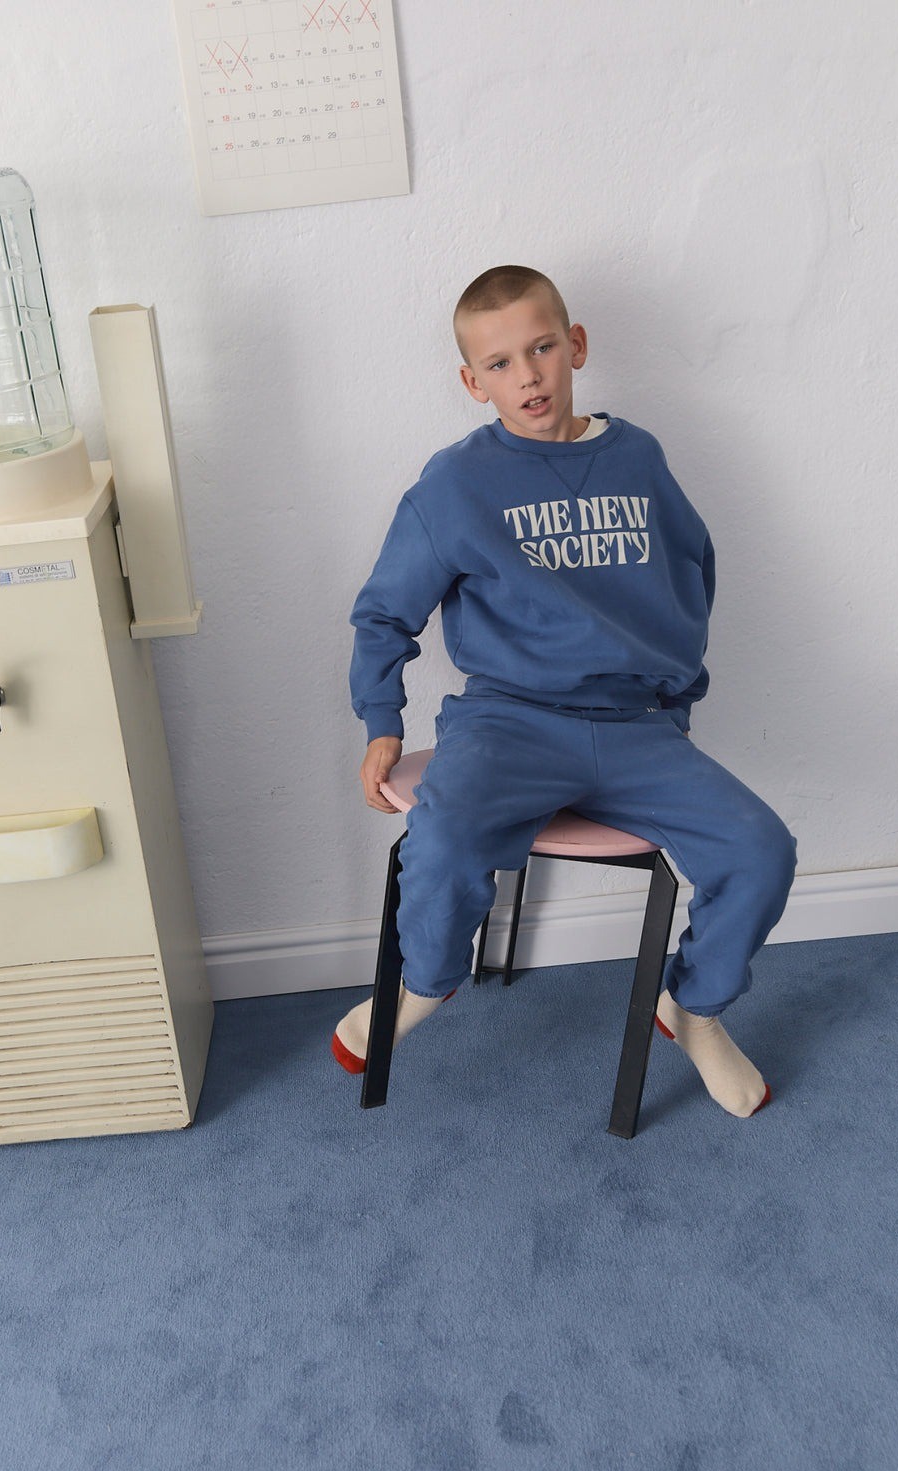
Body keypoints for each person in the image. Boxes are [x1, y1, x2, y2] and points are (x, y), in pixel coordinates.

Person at [332, 265, 796, 1118]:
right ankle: (426, 982)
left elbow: (692, 569)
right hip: (509, 722)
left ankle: (694, 1010)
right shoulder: (456, 483)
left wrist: (672, 692)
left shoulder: (638, 457)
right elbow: (383, 611)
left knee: (761, 849)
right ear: (473, 382)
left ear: (575, 345)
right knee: (443, 835)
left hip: (636, 727)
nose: (529, 375)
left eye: (542, 348)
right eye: (500, 363)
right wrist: (380, 721)